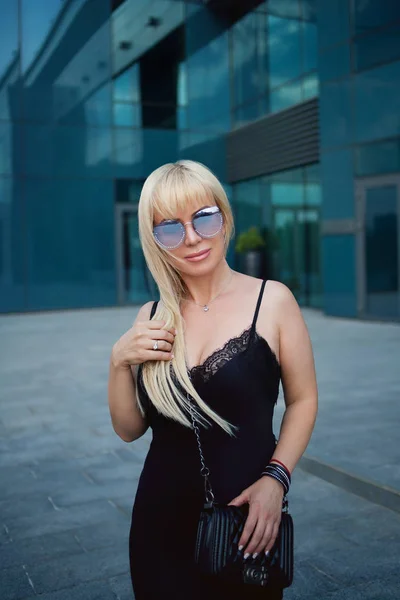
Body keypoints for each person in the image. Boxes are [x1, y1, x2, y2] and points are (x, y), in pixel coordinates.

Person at [108, 160, 318, 600]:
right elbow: (130, 430)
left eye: (204, 218)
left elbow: (303, 400)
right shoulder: (152, 317)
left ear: (223, 216)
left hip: (246, 526)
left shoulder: (273, 300)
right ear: (155, 241)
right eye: (170, 228)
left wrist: (275, 479)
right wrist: (118, 363)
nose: (191, 238)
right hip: (159, 525)